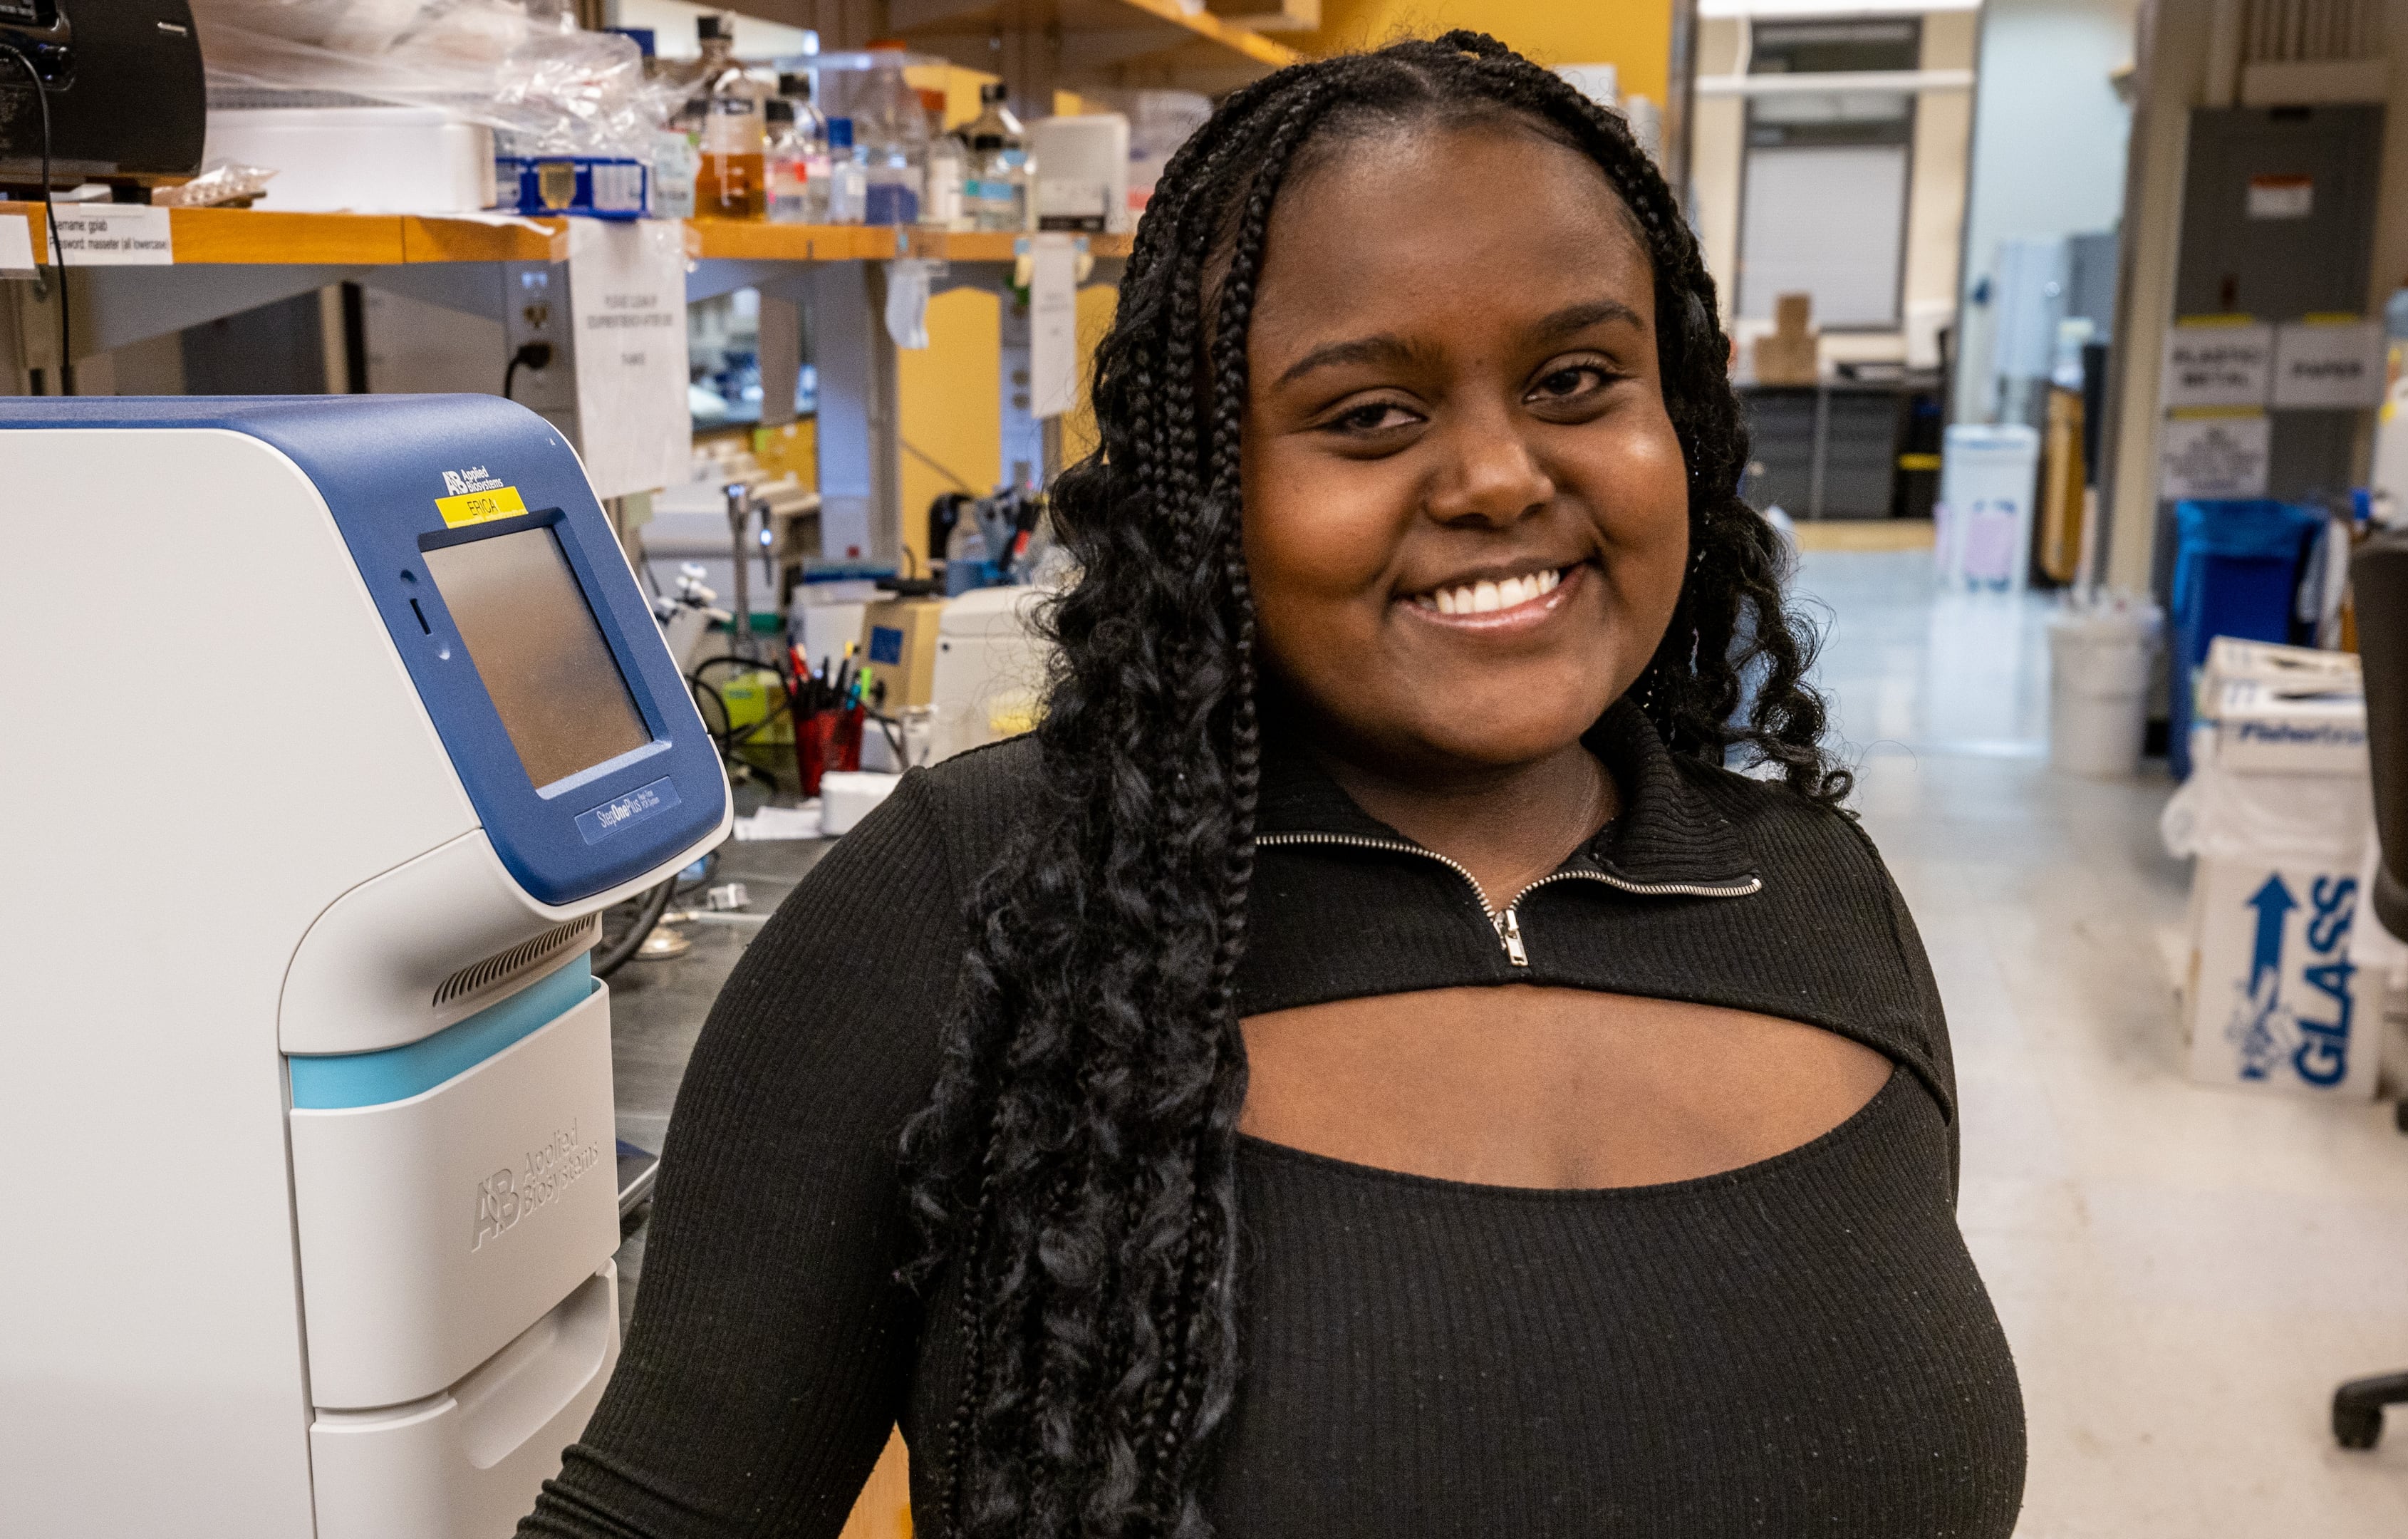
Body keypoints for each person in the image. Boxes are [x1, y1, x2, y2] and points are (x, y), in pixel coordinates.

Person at [519, 31, 2023, 1539]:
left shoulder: (1815, 896)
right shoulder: (988, 900)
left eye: (1577, 379)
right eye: (1369, 413)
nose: (1500, 476)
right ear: (1209, 486)